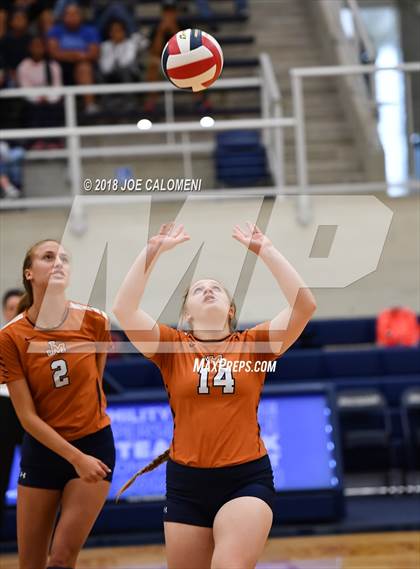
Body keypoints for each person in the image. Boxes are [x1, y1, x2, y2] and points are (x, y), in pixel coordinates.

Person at [113, 222, 317, 568]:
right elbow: (124, 309)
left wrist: (266, 250)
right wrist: (152, 251)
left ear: (231, 311)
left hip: (245, 478)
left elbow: (304, 306)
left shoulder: (254, 345)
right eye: (198, 290)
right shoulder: (170, 347)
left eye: (217, 289)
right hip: (186, 483)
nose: (208, 291)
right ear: (187, 314)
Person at [0, 239, 115, 569]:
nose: (58, 262)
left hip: (94, 445)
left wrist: (84, 455)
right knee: (30, 563)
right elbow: (26, 416)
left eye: (64, 257)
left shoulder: (95, 321)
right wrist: (74, 457)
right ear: (29, 272)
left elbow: (95, 384)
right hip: (43, 450)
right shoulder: (10, 337)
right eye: (48, 257)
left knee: (62, 560)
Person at [0, 288, 24, 536]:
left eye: (20, 306)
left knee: (39, 478)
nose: (15, 311)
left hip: (32, 412)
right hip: (4, 410)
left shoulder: (38, 342)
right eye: (10, 308)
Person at [47, 3, 100, 114]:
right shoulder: (55, 30)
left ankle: (90, 105)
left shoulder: (90, 31)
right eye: (68, 14)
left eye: (75, 14)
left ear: (81, 16)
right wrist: (76, 55)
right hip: (60, 65)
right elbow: (53, 53)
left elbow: (94, 53)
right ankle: (55, 105)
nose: (72, 17)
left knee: (84, 68)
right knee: (53, 67)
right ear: (63, 16)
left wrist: (70, 55)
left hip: (83, 65)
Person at [17, 35, 64, 149]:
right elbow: (24, 87)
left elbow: (58, 87)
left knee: (53, 108)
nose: (37, 49)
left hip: (51, 101)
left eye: (40, 46)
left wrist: (49, 98)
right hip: (32, 102)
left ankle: (54, 140)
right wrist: (38, 98)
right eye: (35, 46)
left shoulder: (53, 66)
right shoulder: (24, 66)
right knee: (34, 110)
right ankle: (35, 141)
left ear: (44, 48)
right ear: (29, 48)